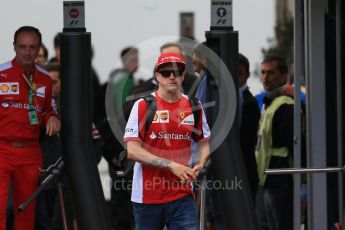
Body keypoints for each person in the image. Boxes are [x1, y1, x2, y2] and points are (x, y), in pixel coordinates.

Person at [124, 53, 211, 229]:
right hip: (147, 197)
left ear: (183, 75)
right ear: (157, 75)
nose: (172, 76)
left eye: (177, 71)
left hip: (182, 195)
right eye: (166, 72)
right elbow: (132, 150)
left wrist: (201, 162)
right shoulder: (143, 105)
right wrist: (171, 165)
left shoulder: (194, 105)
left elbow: (203, 141)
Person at [0, 26, 60, 230]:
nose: (27, 52)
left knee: (26, 209)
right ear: (14, 47)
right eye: (22, 46)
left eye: (32, 47)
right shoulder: (1, 74)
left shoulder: (44, 79)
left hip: (30, 151)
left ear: (38, 50)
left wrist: (52, 117)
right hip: (2, 149)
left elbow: (47, 109)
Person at [255, 56, 294, 230]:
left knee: (280, 224)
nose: (265, 77)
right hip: (267, 176)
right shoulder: (269, 103)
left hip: (280, 175)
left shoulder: (285, 104)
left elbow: (290, 141)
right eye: (263, 72)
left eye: (271, 73)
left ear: (284, 76)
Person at [238, 53, 260, 201]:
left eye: (239, 73)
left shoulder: (248, 102)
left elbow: (245, 141)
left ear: (247, 75)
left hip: (243, 169)